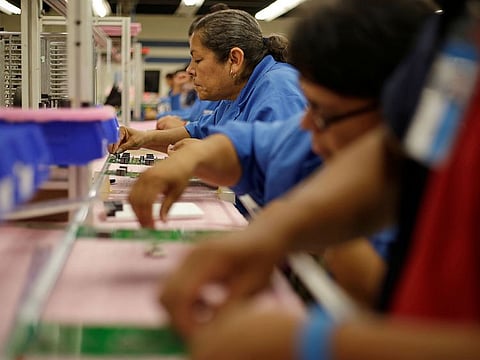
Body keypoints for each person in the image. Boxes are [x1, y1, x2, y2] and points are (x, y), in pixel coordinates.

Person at [158, 0, 480, 359]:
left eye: (322, 113)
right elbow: (398, 146)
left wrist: (313, 342)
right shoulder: (457, 36)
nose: (306, 124)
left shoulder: (280, 90)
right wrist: (275, 231)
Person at [108, 9, 306, 155]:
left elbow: (283, 173)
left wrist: (208, 156)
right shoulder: (235, 90)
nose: (189, 70)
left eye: (198, 60)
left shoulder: (279, 91)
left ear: (234, 60)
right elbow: (201, 131)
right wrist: (142, 138)